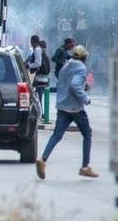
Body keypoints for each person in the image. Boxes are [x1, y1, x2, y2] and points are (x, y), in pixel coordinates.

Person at [36, 45, 99, 180]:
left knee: (56, 135)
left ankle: (42, 159)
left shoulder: (66, 65)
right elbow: (74, 85)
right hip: (75, 108)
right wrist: (85, 98)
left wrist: (83, 86)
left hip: (62, 106)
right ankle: (85, 166)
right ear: (84, 57)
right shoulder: (81, 68)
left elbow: (64, 83)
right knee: (87, 133)